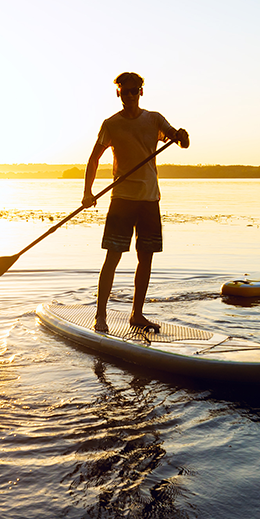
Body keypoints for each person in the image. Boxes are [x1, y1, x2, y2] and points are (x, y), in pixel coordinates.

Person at [82, 72, 189, 334]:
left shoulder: (154, 119)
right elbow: (94, 158)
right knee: (113, 258)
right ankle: (101, 316)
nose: (129, 95)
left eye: (134, 90)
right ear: (118, 93)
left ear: (141, 92)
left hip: (149, 199)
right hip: (122, 200)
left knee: (146, 258)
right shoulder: (111, 124)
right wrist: (88, 192)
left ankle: (136, 314)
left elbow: (181, 142)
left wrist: (183, 136)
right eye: (124, 90)